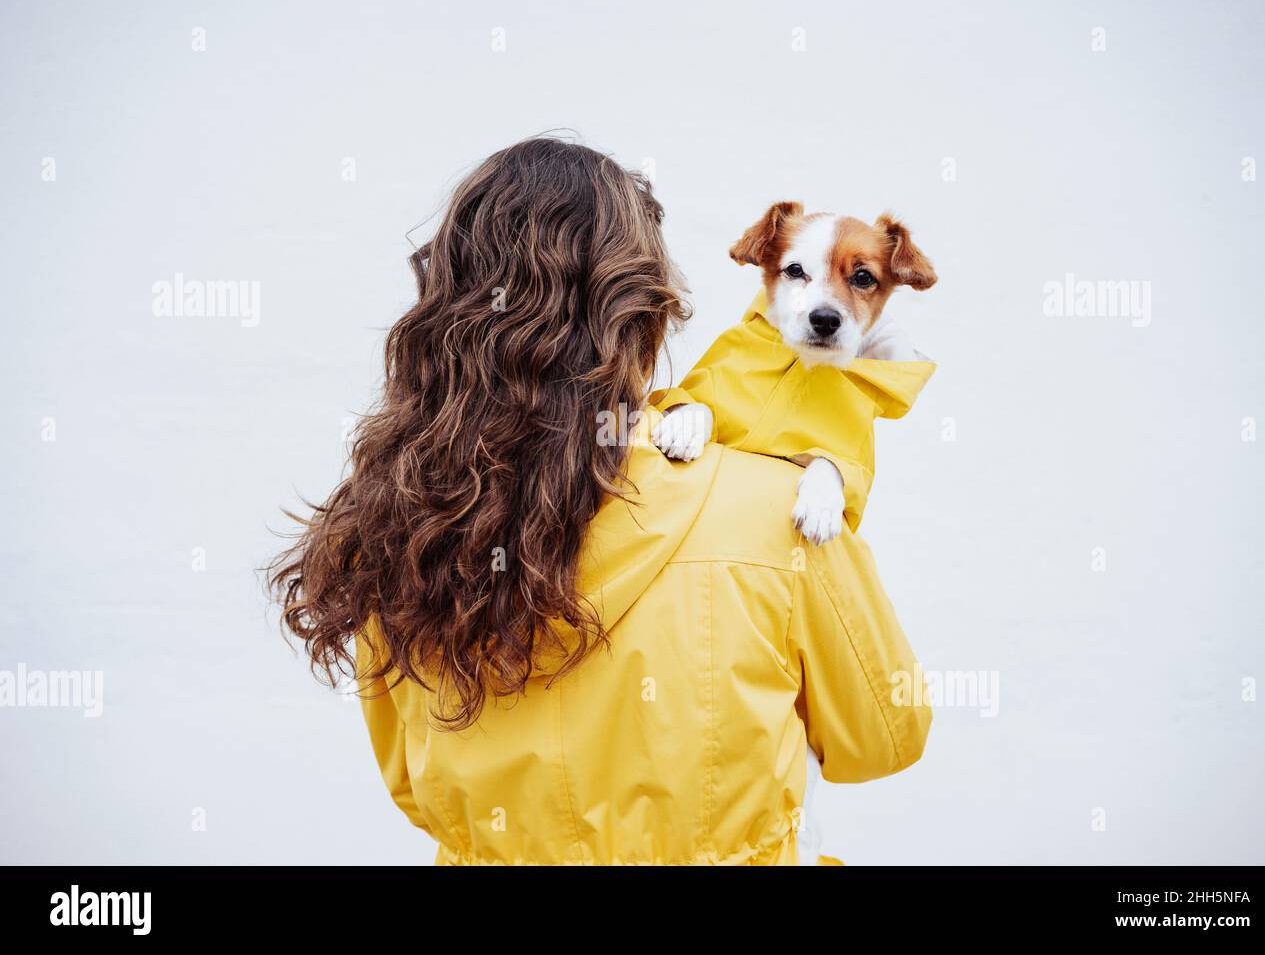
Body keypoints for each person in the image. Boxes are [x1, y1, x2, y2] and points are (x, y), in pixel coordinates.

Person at [268, 136, 930, 865]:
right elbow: (883, 736)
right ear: (646, 316)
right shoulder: (776, 512)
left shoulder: (398, 524)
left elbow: (406, 781)